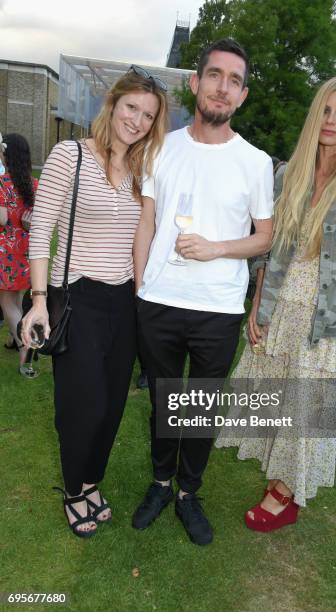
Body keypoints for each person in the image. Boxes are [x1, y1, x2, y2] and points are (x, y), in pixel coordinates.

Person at [216, 76, 336, 532]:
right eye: (326, 110)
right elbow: (268, 250)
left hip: (324, 311)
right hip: (279, 299)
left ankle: (287, 492)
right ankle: (280, 475)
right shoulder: (288, 173)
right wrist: (256, 306)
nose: (332, 121)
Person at [132, 38, 274, 545]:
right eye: (214, 75)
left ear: (243, 96)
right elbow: (147, 222)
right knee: (164, 403)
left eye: (234, 81)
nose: (222, 87)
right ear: (195, 82)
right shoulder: (161, 147)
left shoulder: (255, 162)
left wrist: (215, 249)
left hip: (218, 309)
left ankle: (189, 492)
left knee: (200, 408)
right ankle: (160, 483)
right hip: (159, 301)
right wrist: (140, 288)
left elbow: (265, 234)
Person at [21, 68, 168, 537]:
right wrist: (39, 301)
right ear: (113, 104)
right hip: (78, 298)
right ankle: (72, 491)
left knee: (110, 406)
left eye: (148, 115)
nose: (138, 120)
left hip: (123, 303)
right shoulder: (72, 156)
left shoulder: (143, 171)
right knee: (80, 406)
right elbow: (40, 229)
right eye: (132, 108)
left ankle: (90, 480)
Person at [0, 133, 38, 375]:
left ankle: (26, 346)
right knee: (18, 300)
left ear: (6, 154)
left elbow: (2, 219)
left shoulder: (3, 182)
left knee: (7, 303)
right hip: (26, 251)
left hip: (5, 251)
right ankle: (16, 339)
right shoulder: (33, 183)